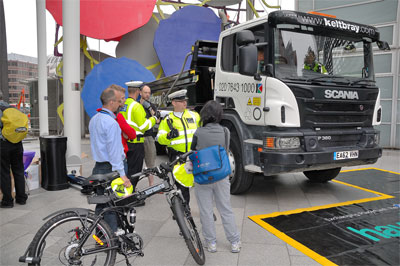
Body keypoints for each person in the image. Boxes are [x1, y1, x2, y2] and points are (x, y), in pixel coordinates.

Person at [191, 100, 241, 253]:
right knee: (226, 209)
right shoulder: (225, 131)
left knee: (206, 211)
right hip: (221, 176)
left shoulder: (198, 132)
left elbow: (193, 152)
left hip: (203, 177)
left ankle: (211, 243)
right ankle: (234, 242)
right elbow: (225, 151)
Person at [89, 85, 131, 232]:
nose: (121, 104)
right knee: (113, 203)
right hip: (111, 169)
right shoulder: (111, 123)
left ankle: (100, 235)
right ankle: (112, 236)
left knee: (101, 203)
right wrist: (123, 175)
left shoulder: (94, 119)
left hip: (98, 167)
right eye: (119, 101)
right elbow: (114, 152)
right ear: (111, 102)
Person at [156, 89, 200, 204]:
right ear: (174, 103)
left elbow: (203, 131)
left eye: (185, 100)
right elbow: (159, 139)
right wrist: (169, 136)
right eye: (181, 101)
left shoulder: (194, 116)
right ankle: (184, 210)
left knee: (201, 185)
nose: (185, 103)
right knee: (181, 185)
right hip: (177, 157)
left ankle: (206, 211)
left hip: (194, 155)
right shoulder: (167, 120)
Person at [120, 81, 159, 196]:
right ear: (138, 91)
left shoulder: (125, 104)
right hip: (136, 143)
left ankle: (128, 192)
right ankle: (129, 195)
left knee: (129, 169)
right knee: (135, 171)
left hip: (127, 142)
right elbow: (143, 126)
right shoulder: (136, 106)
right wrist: (154, 119)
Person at [0, 92, 28, 208]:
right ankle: (21, 198)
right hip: (17, 143)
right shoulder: (12, 108)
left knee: (4, 172)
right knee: (19, 170)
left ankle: (8, 201)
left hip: (3, 144)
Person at [140, 85, 158, 187]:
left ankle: (151, 185)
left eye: (149, 93)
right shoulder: (136, 105)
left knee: (150, 162)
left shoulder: (151, 106)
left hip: (149, 137)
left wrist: (149, 108)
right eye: (145, 92)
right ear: (140, 93)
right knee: (136, 163)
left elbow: (157, 119)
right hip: (137, 137)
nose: (147, 95)